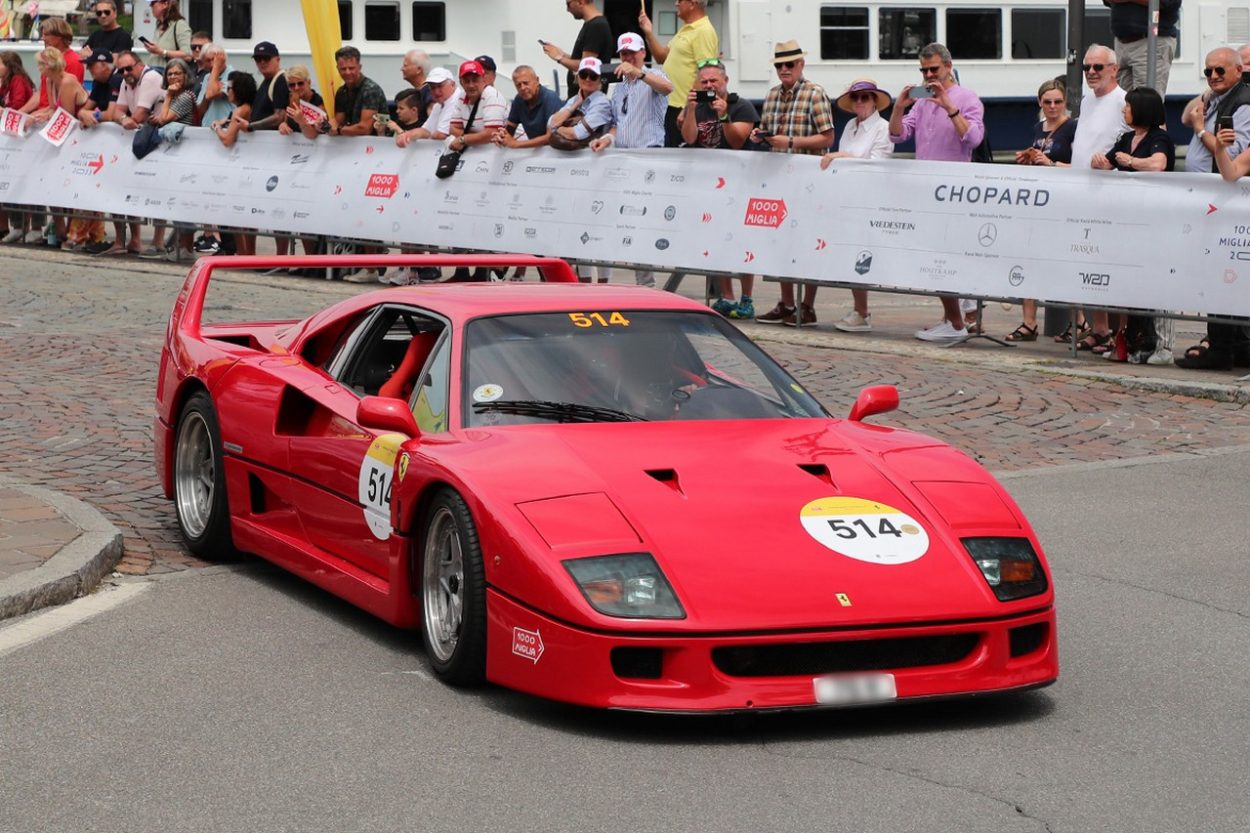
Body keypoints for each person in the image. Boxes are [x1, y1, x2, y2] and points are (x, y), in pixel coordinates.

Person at [888, 42, 986, 343]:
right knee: (933, 257)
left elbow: (974, 139)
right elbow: (898, 134)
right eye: (924, 70)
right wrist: (898, 106)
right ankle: (952, 318)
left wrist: (949, 107)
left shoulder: (968, 98)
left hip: (955, 191)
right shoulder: (921, 101)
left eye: (934, 69)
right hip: (924, 190)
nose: (929, 75)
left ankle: (956, 322)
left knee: (944, 258)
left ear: (948, 66)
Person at [752, 40, 835, 326]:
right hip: (779, 178)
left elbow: (828, 138)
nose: (784, 70)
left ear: (801, 65)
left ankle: (808, 306)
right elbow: (769, 132)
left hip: (809, 180)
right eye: (779, 65)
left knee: (808, 242)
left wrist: (789, 141)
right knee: (780, 241)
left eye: (790, 64)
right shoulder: (772, 95)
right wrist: (759, 136)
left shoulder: (815, 94)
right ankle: (787, 303)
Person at [1089, 87, 1174, 364]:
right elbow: (1108, 161)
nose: (1124, 111)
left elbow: (1158, 164)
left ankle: (1163, 345)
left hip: (1154, 220)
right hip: (1127, 221)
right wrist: (1098, 161)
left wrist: (1132, 162)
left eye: (1127, 107)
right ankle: (1136, 340)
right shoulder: (1126, 138)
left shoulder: (1159, 138)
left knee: (1156, 282)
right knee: (1132, 282)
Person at [590, 33, 672, 288]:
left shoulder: (655, 75)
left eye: (632, 53)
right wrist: (607, 140)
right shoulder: (619, 87)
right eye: (624, 54)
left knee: (642, 224)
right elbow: (617, 124)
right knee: (622, 221)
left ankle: (646, 285)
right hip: (623, 160)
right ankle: (624, 283)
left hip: (648, 160)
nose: (628, 58)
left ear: (643, 53)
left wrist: (641, 73)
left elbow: (668, 88)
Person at [680, 58, 758, 318]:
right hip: (709, 185)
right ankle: (726, 296)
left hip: (740, 183)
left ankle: (746, 298)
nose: (710, 85)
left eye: (714, 80)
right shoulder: (699, 107)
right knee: (716, 240)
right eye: (704, 82)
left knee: (743, 240)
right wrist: (690, 109)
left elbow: (737, 141)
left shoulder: (741, 106)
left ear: (725, 81)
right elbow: (690, 138)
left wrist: (723, 114)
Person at [1002, 78, 1077, 343]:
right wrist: (1028, 159)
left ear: (1064, 103)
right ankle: (1029, 321)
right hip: (1038, 200)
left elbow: (1079, 166)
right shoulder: (1039, 127)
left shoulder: (1073, 127)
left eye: (1058, 102)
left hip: (1062, 202)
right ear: (1040, 103)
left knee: (1061, 261)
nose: (1053, 107)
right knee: (1028, 257)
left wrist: (1051, 163)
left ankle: (1078, 322)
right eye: (1048, 102)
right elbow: (1039, 157)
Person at [818, 79, 894, 333]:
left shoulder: (882, 128)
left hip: (871, 200)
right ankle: (859, 309)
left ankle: (862, 311)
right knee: (851, 254)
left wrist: (842, 157)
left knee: (862, 255)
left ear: (874, 100)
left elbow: (877, 164)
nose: (859, 102)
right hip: (848, 198)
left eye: (865, 97)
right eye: (856, 98)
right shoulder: (851, 125)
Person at [1066, 45, 1128, 353]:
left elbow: (1137, 142)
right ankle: (1100, 327)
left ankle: (1120, 332)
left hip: (1109, 197)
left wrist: (1113, 162)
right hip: (1081, 195)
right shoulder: (1088, 99)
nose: (1091, 72)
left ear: (1114, 70)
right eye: (1087, 67)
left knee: (1110, 264)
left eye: (1098, 67)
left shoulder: (1123, 101)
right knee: (1087, 260)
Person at [638, 0, 718, 147]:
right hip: (671, 107)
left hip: (682, 109)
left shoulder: (704, 31)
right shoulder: (685, 29)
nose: (675, 3)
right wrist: (648, 32)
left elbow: (705, 74)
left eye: (680, 0)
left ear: (693, 3)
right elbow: (661, 57)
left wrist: (688, 109)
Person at [1106, 0, 1181, 94]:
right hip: (1121, 43)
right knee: (1122, 102)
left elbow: (1170, 3)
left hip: (1149, 43)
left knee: (1146, 102)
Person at [542, 0, 613, 98]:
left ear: (580, 2)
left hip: (586, 101)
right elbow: (583, 60)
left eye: (568, 4)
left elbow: (586, 66)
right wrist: (562, 54)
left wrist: (559, 58)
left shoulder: (596, 26)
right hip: (580, 98)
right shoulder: (592, 24)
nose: (567, 9)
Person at [0, 51, 36, 244]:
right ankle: (14, 225)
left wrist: (3, 111)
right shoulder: (5, 83)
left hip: (21, 138)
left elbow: (17, 105)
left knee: (19, 181)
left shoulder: (18, 80)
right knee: (7, 181)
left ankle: (24, 225)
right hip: (10, 137)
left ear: (9, 65)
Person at [548, 56, 614, 146]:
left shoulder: (602, 103)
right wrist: (575, 105)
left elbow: (577, 133)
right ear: (577, 77)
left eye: (593, 76)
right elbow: (551, 123)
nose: (587, 79)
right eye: (583, 74)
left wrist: (559, 129)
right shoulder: (575, 99)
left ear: (600, 79)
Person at [495, 65, 563, 148]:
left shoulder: (550, 98)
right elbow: (509, 130)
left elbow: (552, 136)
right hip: (536, 153)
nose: (522, 88)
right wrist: (502, 137)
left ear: (537, 81)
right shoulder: (518, 100)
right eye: (518, 85)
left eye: (526, 83)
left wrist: (516, 144)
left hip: (556, 153)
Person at [329, 46, 385, 137]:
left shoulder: (371, 89)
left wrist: (339, 130)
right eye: (343, 69)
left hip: (376, 145)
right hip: (352, 144)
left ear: (359, 67)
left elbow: (365, 129)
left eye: (351, 68)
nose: (347, 72)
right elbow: (338, 123)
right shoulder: (341, 91)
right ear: (337, 69)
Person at [396, 66, 457, 145]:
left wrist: (409, 136)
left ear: (452, 84)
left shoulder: (456, 101)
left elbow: (441, 135)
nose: (436, 91)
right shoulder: (438, 105)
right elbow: (425, 130)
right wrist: (408, 135)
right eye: (432, 87)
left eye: (440, 86)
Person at [236, 41, 288, 132]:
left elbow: (279, 117)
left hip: (273, 142)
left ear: (278, 59)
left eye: (266, 58)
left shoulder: (281, 80)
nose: (262, 62)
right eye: (258, 59)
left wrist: (251, 126)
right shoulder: (265, 82)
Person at [144, 0, 192, 70]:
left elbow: (188, 56)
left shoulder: (180, 24)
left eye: (153, 3)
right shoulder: (158, 25)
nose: (150, 6)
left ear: (165, 4)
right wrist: (152, 49)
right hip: (154, 72)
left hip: (169, 76)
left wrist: (162, 52)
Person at [193, 42, 232, 128]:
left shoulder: (233, 75)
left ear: (223, 59)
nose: (212, 64)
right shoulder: (207, 77)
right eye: (207, 60)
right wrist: (208, 92)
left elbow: (211, 94)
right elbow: (200, 111)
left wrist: (216, 68)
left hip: (225, 129)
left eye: (214, 60)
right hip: (207, 128)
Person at [40, 18, 84, 83]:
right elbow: (43, 88)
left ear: (60, 35)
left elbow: (69, 90)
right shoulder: (50, 58)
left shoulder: (73, 61)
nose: (43, 38)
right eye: (42, 34)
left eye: (46, 35)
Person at [399, 48, 433, 126]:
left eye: (405, 65)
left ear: (418, 69)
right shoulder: (421, 91)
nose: (401, 69)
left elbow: (433, 125)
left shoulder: (430, 95)